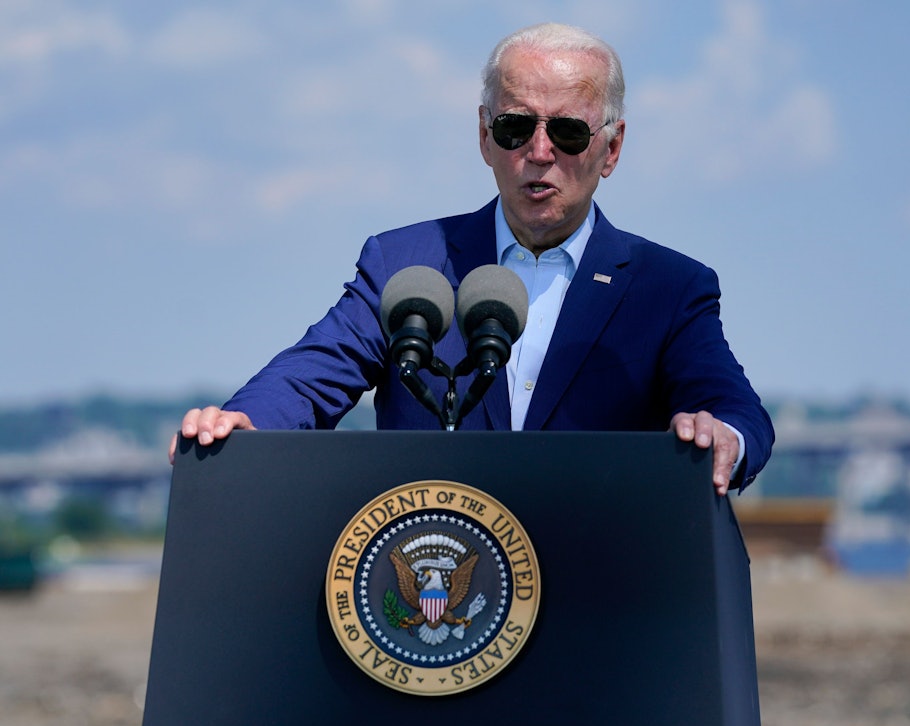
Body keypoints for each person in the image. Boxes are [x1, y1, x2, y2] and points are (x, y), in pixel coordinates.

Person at [171, 22, 774, 495]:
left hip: (595, 599)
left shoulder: (668, 288)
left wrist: (725, 438)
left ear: (610, 149)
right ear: (484, 135)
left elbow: (736, 412)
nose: (539, 152)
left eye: (567, 132)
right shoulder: (406, 262)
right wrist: (243, 425)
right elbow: (313, 373)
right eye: (516, 127)